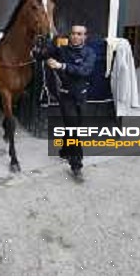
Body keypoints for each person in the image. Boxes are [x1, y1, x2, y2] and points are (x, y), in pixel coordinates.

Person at [45, 24, 96, 181]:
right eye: (73, 33)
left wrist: (62, 66)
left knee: (74, 127)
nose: (75, 36)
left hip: (81, 96)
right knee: (74, 130)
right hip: (66, 97)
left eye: (79, 34)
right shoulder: (62, 50)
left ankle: (65, 150)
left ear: (85, 37)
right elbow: (45, 54)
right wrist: (49, 42)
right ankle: (76, 165)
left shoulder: (90, 53)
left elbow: (85, 71)